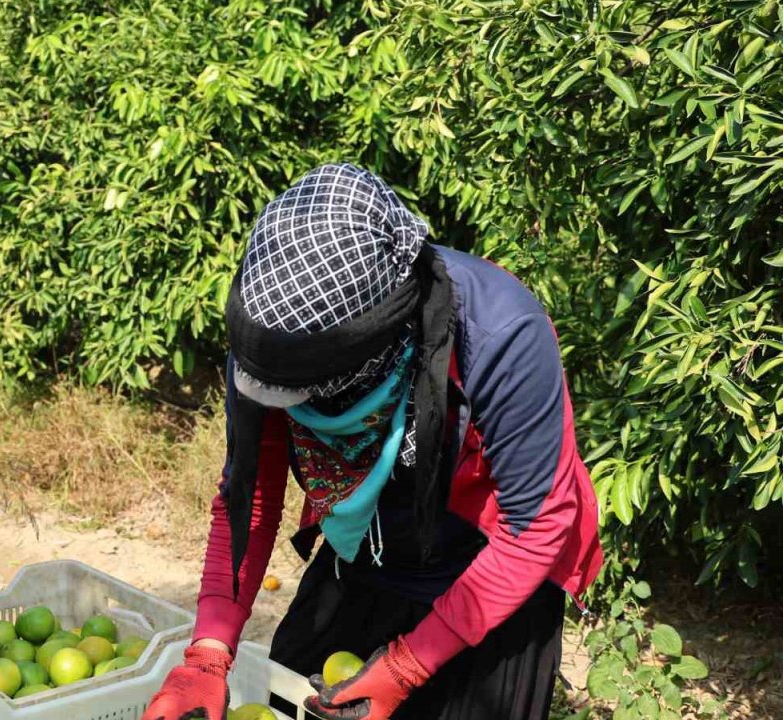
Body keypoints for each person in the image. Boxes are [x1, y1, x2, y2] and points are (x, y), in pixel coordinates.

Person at [142, 164, 602, 720]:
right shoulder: (272, 342)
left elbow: (536, 528)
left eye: (302, 396)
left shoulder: (499, 335)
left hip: (490, 571)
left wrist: (410, 664)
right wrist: (210, 651)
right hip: (367, 545)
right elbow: (250, 500)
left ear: (365, 355)